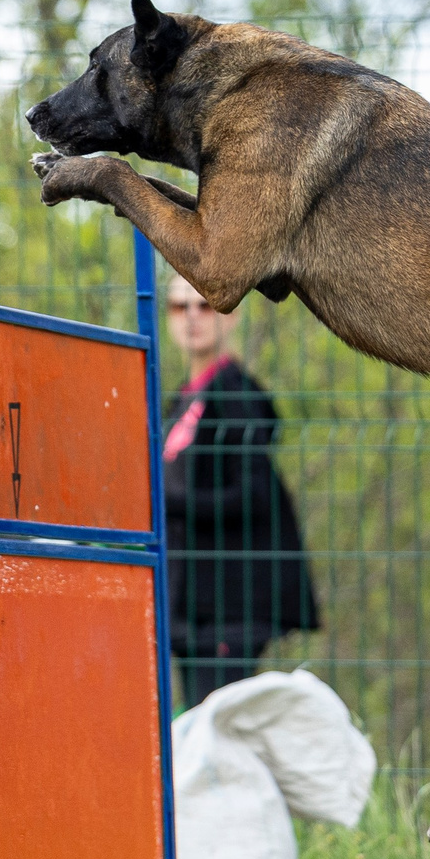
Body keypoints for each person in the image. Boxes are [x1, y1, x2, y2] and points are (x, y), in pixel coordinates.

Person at [161, 275, 319, 709]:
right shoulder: (181, 400)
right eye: (180, 306)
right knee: (198, 728)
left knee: (218, 732)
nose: (193, 316)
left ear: (229, 314)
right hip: (188, 605)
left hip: (228, 607)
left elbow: (252, 496)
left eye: (205, 304)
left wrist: (160, 504)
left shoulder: (236, 395)